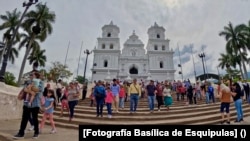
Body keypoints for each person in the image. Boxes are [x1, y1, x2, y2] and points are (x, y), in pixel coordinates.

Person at [13, 71, 43, 139]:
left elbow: (39, 90)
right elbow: (24, 89)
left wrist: (30, 90)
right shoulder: (28, 82)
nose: (31, 76)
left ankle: (36, 132)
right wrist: (30, 91)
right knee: (24, 119)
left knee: (35, 119)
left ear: (36, 76)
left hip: (35, 104)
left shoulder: (40, 82)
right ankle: (21, 133)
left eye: (32, 75)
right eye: (31, 75)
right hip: (26, 103)